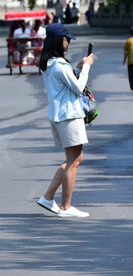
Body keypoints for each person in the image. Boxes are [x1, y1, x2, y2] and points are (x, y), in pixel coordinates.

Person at [37, 23, 94, 218]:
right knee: (75, 161)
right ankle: (66, 206)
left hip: (59, 115)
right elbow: (78, 88)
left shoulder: (50, 63)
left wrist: (76, 68)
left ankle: (48, 197)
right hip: (69, 115)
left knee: (74, 159)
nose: (68, 42)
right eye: (66, 39)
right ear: (58, 41)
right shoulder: (60, 65)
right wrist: (85, 68)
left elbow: (66, 85)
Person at [122, 26, 133, 91]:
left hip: (131, 62)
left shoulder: (129, 41)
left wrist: (124, 61)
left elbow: (126, 52)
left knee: (131, 77)